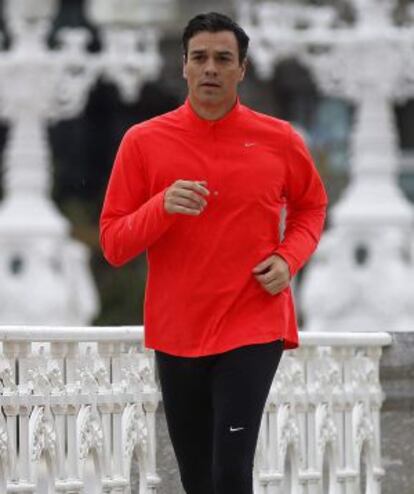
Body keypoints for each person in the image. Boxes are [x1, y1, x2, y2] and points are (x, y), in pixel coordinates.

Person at [100, 11, 328, 494]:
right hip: (177, 329)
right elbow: (114, 243)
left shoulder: (280, 139)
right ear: (183, 65)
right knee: (198, 479)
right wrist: (161, 206)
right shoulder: (142, 142)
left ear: (242, 69)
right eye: (199, 57)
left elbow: (312, 207)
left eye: (223, 59)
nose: (210, 68)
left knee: (230, 473)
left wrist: (289, 259)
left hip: (253, 322)